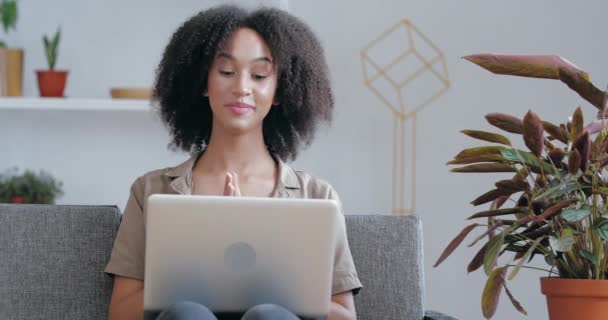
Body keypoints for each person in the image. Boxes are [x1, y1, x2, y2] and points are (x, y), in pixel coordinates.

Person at [105, 5, 362, 320]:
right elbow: (120, 312)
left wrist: (273, 287)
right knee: (187, 314)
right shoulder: (150, 191)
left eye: (259, 75)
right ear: (202, 81)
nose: (242, 88)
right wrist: (206, 257)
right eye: (226, 71)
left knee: (269, 316)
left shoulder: (317, 196)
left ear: (280, 90)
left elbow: (346, 316)